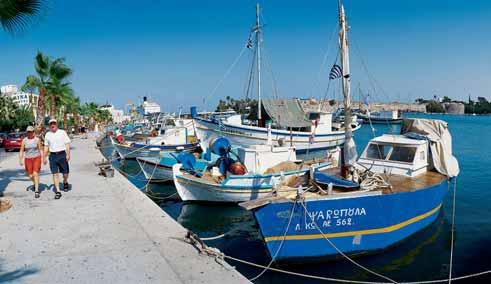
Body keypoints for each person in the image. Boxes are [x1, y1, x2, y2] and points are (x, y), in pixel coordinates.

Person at [44, 119, 71, 199]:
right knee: (55, 173)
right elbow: (46, 146)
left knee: (65, 173)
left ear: (56, 124)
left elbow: (67, 143)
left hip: (62, 154)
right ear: (49, 125)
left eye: (54, 123)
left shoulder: (62, 132)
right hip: (52, 156)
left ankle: (65, 181)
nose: (53, 125)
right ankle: (58, 191)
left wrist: (68, 154)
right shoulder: (47, 134)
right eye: (51, 124)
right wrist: (44, 157)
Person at [19, 126, 43, 198]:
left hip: (36, 158)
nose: (29, 133)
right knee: (30, 175)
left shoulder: (37, 140)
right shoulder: (24, 140)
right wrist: (20, 159)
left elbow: (40, 149)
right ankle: (35, 183)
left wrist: (43, 158)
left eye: (31, 132)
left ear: (33, 132)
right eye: (28, 132)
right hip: (28, 159)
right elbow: (21, 150)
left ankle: (36, 190)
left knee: (35, 174)